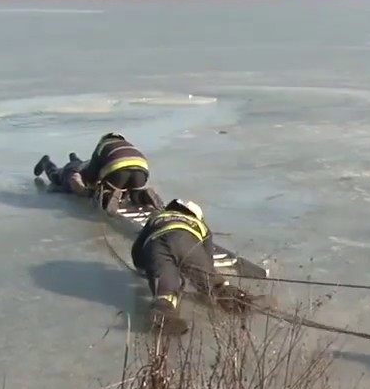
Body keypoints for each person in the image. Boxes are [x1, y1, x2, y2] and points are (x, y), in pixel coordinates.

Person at [130, 199, 251, 334]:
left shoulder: (158, 217)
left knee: (165, 290)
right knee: (212, 282)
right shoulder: (200, 225)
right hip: (187, 242)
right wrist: (202, 277)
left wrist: (145, 266)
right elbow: (207, 259)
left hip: (157, 244)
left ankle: (163, 317)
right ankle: (242, 300)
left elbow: (137, 249)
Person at [80, 132, 163, 212]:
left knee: (107, 189)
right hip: (141, 169)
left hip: (118, 170)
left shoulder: (102, 146)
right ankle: (143, 196)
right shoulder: (129, 145)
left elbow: (92, 173)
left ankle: (110, 195)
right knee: (135, 193)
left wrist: (88, 184)